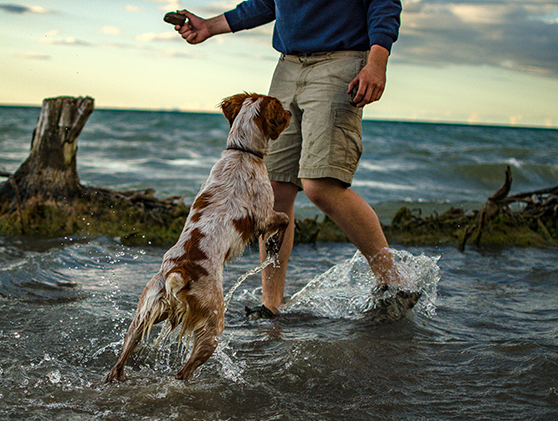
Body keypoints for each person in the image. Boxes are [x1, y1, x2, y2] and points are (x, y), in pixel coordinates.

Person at [174, 1, 417, 319]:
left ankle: (394, 283)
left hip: (342, 61)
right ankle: (271, 305)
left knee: (320, 184)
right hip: (287, 66)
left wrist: (377, 61)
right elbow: (266, 3)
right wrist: (209, 26)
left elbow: (383, 3)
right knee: (274, 191)